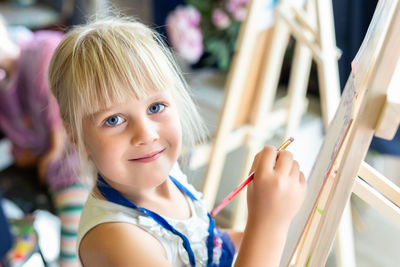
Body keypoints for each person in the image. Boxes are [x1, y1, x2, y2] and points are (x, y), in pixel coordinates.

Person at [48, 16, 307, 267]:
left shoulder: (165, 174)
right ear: (76, 137)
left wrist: (252, 236)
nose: (146, 134)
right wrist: (269, 226)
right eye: (114, 120)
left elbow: (202, 245)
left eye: (156, 107)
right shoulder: (116, 239)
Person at [0, 16, 89, 267]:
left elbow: (59, 106)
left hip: (77, 148)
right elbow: (20, 142)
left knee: (74, 195)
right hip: (47, 160)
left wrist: (51, 151)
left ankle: (69, 260)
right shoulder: (4, 90)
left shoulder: (42, 48)